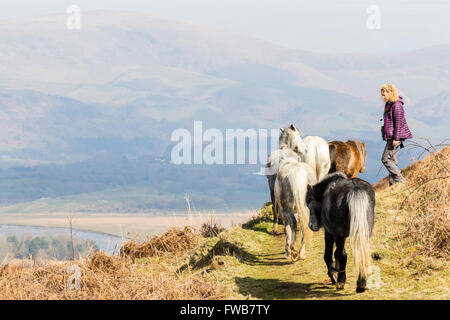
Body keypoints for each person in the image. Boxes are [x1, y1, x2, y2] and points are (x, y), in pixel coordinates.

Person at [380, 84, 413, 185]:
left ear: (390, 93)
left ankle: (401, 181)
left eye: (384, 95)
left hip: (394, 137)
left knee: (385, 159)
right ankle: (393, 185)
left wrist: (396, 138)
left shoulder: (397, 105)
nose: (383, 97)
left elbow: (398, 123)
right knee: (392, 161)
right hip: (392, 136)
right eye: (382, 95)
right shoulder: (390, 104)